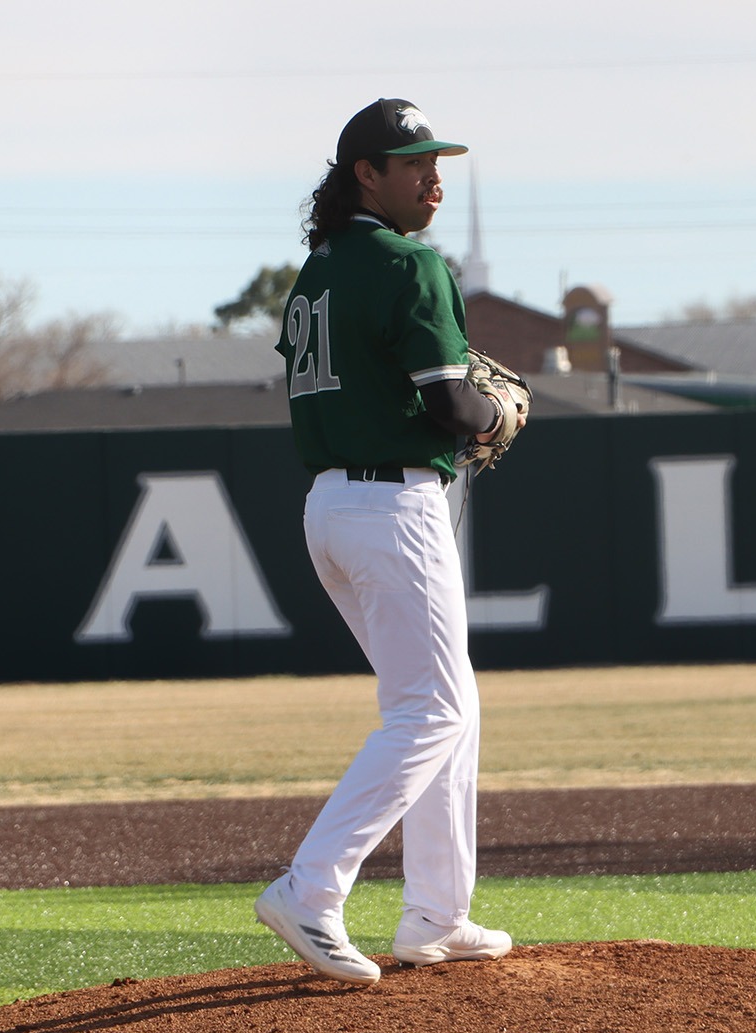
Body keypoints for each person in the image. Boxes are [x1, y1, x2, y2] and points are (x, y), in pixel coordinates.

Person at [254, 98, 521, 987]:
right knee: (432, 710)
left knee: (449, 702)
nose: (432, 177)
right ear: (365, 174)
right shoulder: (410, 264)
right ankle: (311, 889)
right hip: (391, 505)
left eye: (435, 161)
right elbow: (450, 406)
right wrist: (497, 412)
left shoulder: (317, 269)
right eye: (413, 164)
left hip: (331, 507)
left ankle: (437, 915)